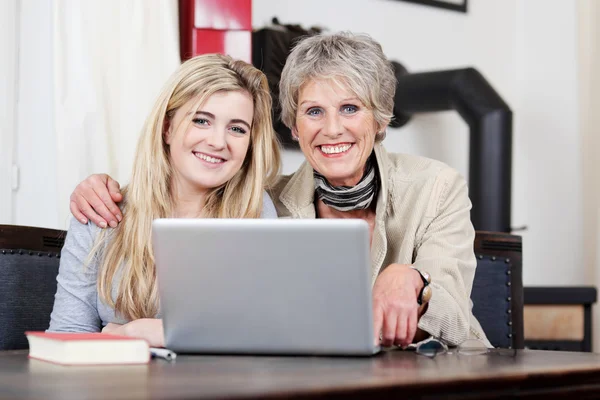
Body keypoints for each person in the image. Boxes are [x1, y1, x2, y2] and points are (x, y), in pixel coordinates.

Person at [68, 32, 490, 348]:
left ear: (380, 120)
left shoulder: (435, 186)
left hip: (439, 370)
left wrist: (412, 277)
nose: (332, 128)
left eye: (350, 108)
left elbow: (452, 305)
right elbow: (265, 328)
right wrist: (99, 187)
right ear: (293, 126)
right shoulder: (267, 203)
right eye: (313, 111)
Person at [48, 53, 281, 347]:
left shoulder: (256, 214)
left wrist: (145, 333)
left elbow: (264, 334)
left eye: (237, 129)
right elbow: (67, 338)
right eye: (201, 120)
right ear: (167, 128)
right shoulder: (101, 213)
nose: (218, 142)